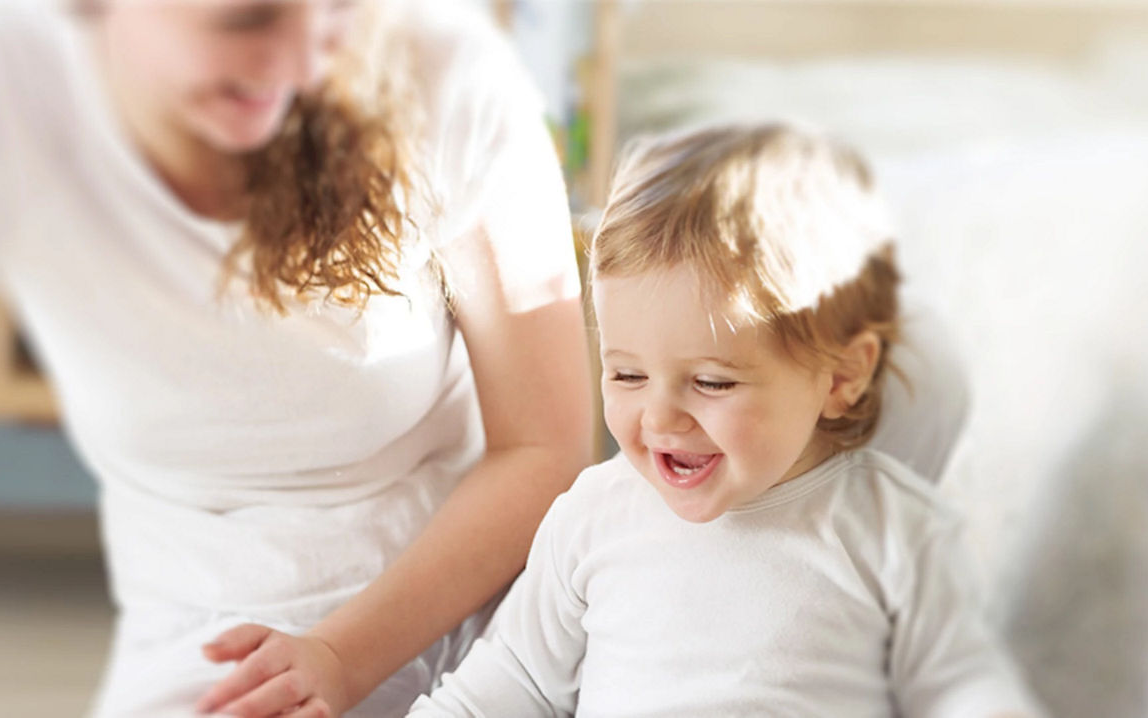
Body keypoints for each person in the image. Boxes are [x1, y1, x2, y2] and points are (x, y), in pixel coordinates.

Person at [0, 1, 593, 715]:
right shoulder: (2, 93)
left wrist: (341, 657)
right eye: (247, 20)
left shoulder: (448, 78)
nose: (307, 66)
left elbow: (544, 449)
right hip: (206, 641)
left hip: (452, 622)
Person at [409, 123, 1043, 717]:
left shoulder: (893, 533)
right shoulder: (593, 517)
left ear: (842, 376)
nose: (658, 416)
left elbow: (963, 686)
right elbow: (509, 680)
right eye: (626, 374)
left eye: (711, 382)